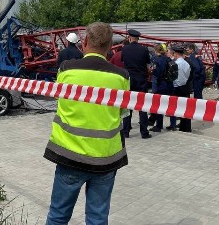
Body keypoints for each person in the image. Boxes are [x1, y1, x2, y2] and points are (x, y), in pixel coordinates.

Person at [44, 22, 130, 225]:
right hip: (106, 158)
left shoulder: (66, 70)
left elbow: (60, 102)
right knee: (97, 218)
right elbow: (122, 113)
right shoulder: (121, 77)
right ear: (110, 46)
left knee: (58, 216)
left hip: (69, 156)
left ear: (85, 41)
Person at [121, 29, 152, 139]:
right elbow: (148, 64)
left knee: (128, 106)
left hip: (129, 79)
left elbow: (123, 61)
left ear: (129, 37)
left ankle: (126, 132)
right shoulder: (144, 50)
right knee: (142, 106)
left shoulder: (124, 49)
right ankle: (144, 132)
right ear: (138, 38)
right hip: (141, 79)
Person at [167, 45, 192, 132]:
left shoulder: (175, 64)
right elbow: (188, 75)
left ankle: (174, 125)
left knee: (176, 107)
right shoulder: (187, 63)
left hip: (177, 87)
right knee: (186, 108)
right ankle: (186, 127)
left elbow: (173, 77)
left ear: (176, 54)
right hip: (185, 87)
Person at [149, 44, 170, 132]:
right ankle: (155, 122)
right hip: (167, 84)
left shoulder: (157, 60)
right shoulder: (167, 59)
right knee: (163, 104)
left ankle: (159, 125)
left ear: (156, 50)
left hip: (159, 84)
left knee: (158, 106)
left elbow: (156, 73)